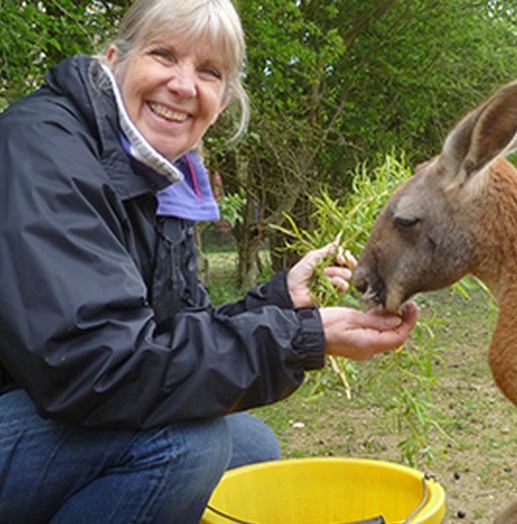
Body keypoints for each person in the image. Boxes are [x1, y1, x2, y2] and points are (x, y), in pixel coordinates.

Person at [0, 0, 419, 522]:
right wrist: (305, 337)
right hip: (39, 401)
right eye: (163, 55)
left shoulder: (161, 174)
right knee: (185, 445)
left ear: (223, 99)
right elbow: (95, 368)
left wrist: (282, 303)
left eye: (209, 71)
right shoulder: (44, 148)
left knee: (249, 447)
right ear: (113, 59)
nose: (183, 85)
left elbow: (175, 333)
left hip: (48, 411)